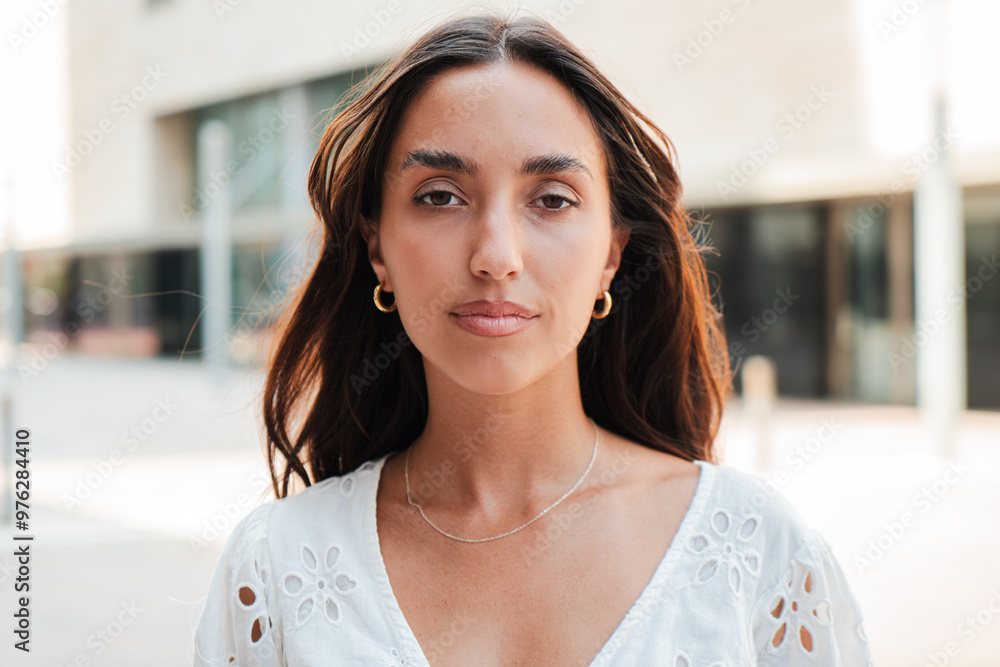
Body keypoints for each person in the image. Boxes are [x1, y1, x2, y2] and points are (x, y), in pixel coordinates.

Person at [193, 10, 873, 666]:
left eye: (552, 199)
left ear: (611, 255)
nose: (496, 256)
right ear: (377, 248)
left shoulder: (760, 558)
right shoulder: (276, 569)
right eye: (439, 195)